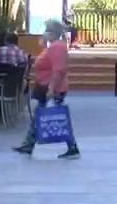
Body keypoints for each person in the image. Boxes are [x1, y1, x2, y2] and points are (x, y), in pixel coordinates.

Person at [13, 19, 79, 159]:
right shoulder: (52, 46)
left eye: (47, 31)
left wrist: (51, 88)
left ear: (53, 32)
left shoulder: (57, 47)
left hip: (53, 88)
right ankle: (29, 143)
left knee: (57, 117)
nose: (45, 33)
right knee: (41, 115)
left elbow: (58, 69)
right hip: (46, 86)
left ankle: (71, 146)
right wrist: (44, 45)